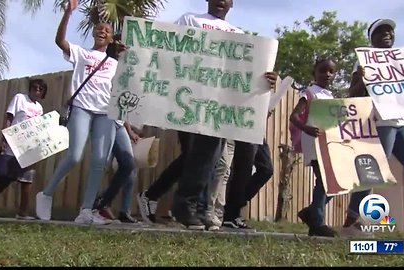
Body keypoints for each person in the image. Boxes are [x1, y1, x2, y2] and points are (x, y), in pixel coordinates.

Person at [167, 0, 277, 230]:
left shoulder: (238, 35)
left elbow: (246, 72)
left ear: (232, 4)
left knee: (215, 160)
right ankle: (185, 204)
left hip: (221, 104)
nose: (220, 1)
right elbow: (166, 46)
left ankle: (198, 208)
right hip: (192, 98)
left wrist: (265, 79)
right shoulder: (190, 20)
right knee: (200, 155)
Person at [342, 18, 404, 235]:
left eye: (390, 31)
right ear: (371, 38)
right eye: (381, 31)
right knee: (371, 174)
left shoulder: (403, 60)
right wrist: (363, 80)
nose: (387, 34)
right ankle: (352, 221)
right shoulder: (364, 61)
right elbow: (352, 95)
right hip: (380, 122)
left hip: (400, 122)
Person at [35, 0, 125, 225]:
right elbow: (59, 41)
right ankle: (45, 194)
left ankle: (86, 210)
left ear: (112, 38)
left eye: (107, 30)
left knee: (99, 161)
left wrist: (126, 56)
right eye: (99, 29)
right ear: (94, 34)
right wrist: (68, 13)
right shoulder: (82, 54)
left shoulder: (116, 63)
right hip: (82, 108)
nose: (102, 31)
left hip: (105, 113)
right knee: (74, 155)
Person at [0, 79, 47, 219]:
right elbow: (9, 118)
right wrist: (3, 139)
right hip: (14, 144)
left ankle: (22, 212)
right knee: (6, 179)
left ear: (43, 93)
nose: (37, 90)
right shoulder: (20, 98)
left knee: (27, 178)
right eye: (35, 87)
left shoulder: (40, 108)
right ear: (30, 89)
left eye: (40, 89)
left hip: (30, 147)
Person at [289, 57, 340, 237]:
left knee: (335, 182)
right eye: (322, 70)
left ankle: (310, 212)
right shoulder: (310, 92)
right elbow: (293, 117)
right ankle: (317, 223)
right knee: (325, 181)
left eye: (331, 71)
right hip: (314, 141)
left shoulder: (331, 96)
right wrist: (307, 129)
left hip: (328, 143)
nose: (327, 74)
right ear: (314, 74)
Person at [93, 121, 141, 224]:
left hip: (120, 125)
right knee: (101, 164)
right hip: (107, 122)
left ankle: (107, 203)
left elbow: (123, 110)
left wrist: (130, 130)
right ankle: (95, 205)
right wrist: (130, 129)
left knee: (129, 167)